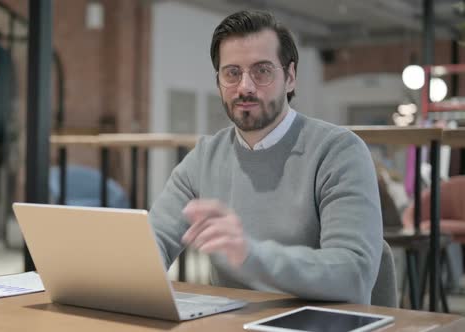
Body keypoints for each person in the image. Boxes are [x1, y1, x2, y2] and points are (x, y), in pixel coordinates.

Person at [148, 10, 383, 305]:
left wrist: (250, 254)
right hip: (232, 324)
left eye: (262, 71)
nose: (245, 86)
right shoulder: (204, 158)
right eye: (232, 73)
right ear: (219, 81)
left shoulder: (339, 152)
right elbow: (153, 241)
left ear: (290, 77)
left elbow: (353, 275)